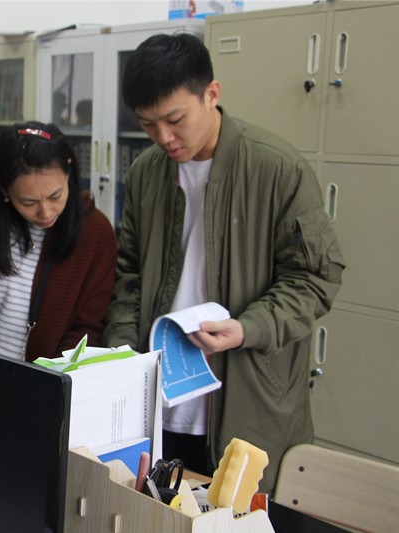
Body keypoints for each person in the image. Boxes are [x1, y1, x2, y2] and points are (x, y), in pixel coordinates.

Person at [103, 33, 344, 492]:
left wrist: (247, 328)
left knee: (237, 514)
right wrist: (123, 357)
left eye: (175, 120)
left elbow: (314, 279)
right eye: (148, 125)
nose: (163, 138)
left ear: (211, 94)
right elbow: (128, 274)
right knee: (155, 512)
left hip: (247, 401)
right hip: (158, 403)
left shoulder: (278, 170)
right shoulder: (146, 172)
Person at [0, 121, 117, 361]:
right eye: (28, 202)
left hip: (49, 378)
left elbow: (87, 328)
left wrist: (50, 376)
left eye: (55, 196)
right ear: (3, 187)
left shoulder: (96, 233)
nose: (45, 212)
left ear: (69, 172)